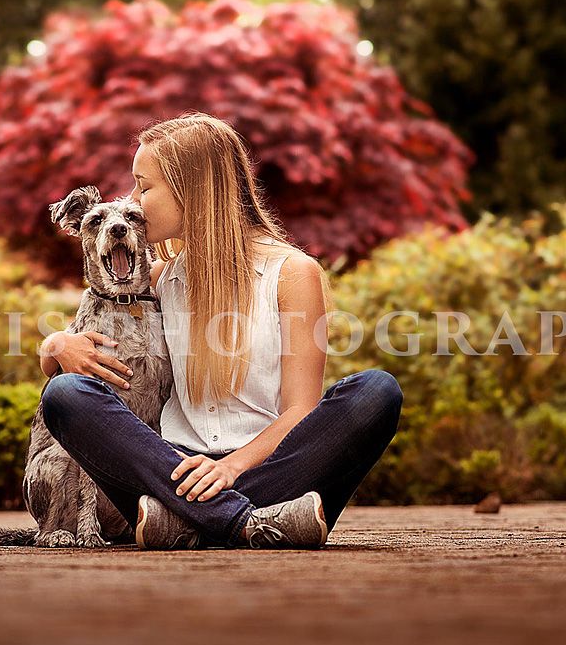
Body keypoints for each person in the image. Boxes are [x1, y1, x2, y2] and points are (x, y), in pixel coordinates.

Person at [37, 112, 402, 550]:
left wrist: (230, 468)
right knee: (65, 396)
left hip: (268, 466)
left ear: (192, 191)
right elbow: (71, 349)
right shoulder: (156, 279)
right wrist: (57, 344)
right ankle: (255, 524)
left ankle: (191, 523)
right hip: (168, 469)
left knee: (376, 392)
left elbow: (300, 411)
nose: (132, 200)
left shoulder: (291, 274)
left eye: (144, 186)